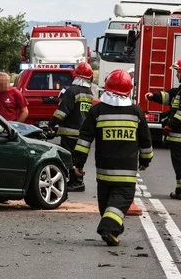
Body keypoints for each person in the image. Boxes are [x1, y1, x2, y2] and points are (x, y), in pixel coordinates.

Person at [73, 69, 153, 246]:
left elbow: (84, 139)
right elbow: (146, 140)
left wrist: (78, 163)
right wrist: (146, 160)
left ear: (106, 88)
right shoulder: (136, 112)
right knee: (121, 199)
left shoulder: (97, 111)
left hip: (104, 170)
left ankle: (113, 228)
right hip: (126, 171)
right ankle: (110, 228)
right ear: (128, 90)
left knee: (106, 203)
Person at [145, 59, 181, 200]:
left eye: (178, 71)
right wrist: (154, 97)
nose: (177, 74)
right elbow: (169, 97)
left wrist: (171, 125)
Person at [49, 62, 94, 192]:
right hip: (83, 133)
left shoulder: (72, 91)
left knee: (68, 157)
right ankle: (78, 181)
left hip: (70, 132)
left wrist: (52, 123)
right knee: (78, 157)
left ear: (76, 76)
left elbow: (63, 111)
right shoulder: (89, 93)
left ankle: (75, 182)